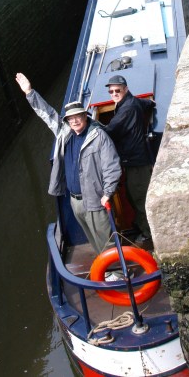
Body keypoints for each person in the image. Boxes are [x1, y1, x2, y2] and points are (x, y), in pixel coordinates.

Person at [15, 72, 121, 255]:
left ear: (85, 116)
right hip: (75, 200)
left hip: (96, 198)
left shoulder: (99, 136)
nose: (74, 121)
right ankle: (106, 270)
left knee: (106, 238)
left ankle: (118, 272)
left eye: (78, 116)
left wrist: (108, 192)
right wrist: (29, 92)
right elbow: (47, 114)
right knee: (92, 237)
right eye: (70, 118)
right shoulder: (65, 133)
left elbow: (112, 166)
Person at [103, 74, 154, 243]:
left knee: (139, 198)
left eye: (118, 90)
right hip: (133, 160)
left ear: (126, 89)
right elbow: (145, 103)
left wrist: (93, 127)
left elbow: (110, 131)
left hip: (137, 161)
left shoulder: (126, 108)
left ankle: (148, 234)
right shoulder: (131, 102)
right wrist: (152, 104)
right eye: (111, 91)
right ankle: (140, 225)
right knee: (133, 196)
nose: (114, 93)